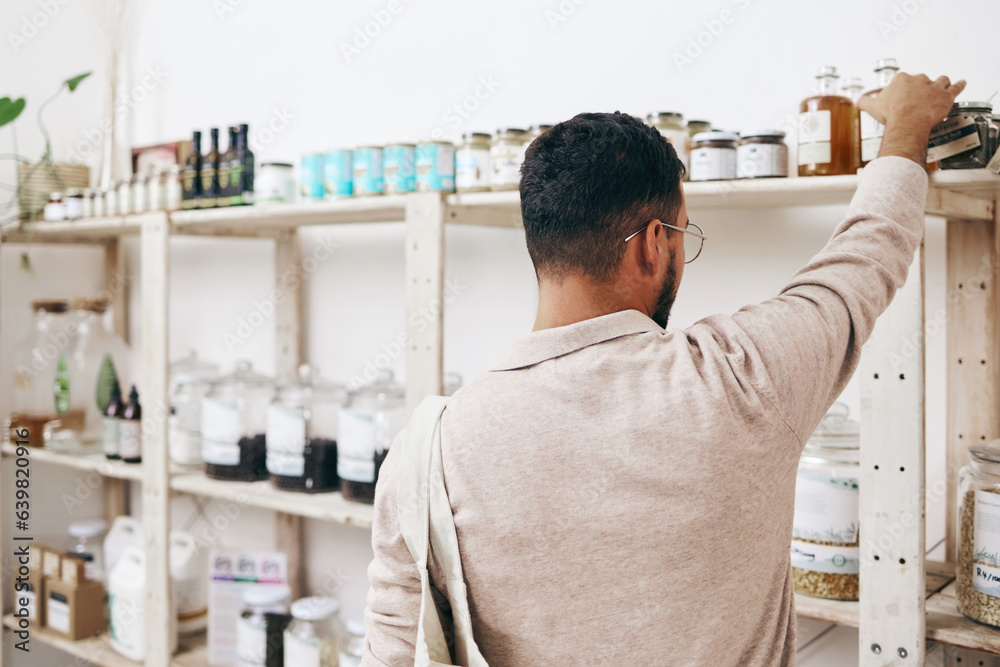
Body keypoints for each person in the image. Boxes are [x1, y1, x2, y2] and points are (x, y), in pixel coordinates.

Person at [362, 73, 965, 666]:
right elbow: (865, 257)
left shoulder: (427, 450)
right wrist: (907, 126)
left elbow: (392, 649)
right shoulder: (742, 376)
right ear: (654, 243)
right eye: (682, 234)